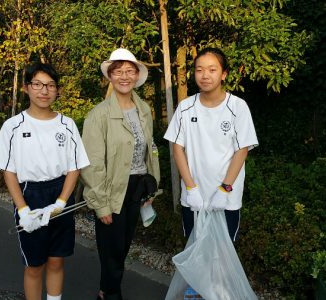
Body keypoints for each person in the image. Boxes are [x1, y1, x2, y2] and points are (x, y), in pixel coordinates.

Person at [0, 62, 90, 300]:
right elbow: (9, 171)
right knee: (34, 265)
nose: (44, 90)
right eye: (38, 84)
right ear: (26, 88)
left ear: (57, 90)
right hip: (29, 194)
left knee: (56, 260)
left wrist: (62, 202)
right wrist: (23, 209)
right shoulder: (12, 126)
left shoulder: (67, 124)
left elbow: (74, 168)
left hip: (59, 192)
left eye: (50, 85)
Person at [80, 48, 160, 300]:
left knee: (123, 246)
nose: (124, 76)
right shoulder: (99, 114)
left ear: (137, 75)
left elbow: (150, 148)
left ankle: (107, 290)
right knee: (111, 249)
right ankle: (110, 294)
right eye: (118, 72)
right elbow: (92, 164)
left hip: (137, 187)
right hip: (111, 189)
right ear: (110, 76)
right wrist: (100, 204)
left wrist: (152, 185)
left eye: (129, 71)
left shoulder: (144, 109)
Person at [164, 47, 258, 241]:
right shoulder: (185, 107)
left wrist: (225, 189)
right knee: (194, 253)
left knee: (223, 256)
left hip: (226, 200)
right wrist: (191, 188)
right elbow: (177, 148)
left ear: (223, 74)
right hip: (194, 199)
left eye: (212, 70)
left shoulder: (237, 107)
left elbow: (242, 150)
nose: (205, 75)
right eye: (199, 70)